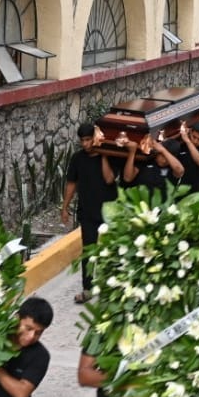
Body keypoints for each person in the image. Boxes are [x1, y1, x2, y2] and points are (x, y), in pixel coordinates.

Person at [62, 123, 118, 304]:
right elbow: (71, 183)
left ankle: (112, 286)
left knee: (110, 250)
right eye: (82, 141)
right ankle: (87, 288)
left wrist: (102, 154)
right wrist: (64, 207)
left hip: (108, 212)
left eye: (88, 140)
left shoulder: (110, 156)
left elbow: (109, 179)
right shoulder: (77, 159)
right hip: (86, 212)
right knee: (88, 251)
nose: (85, 144)